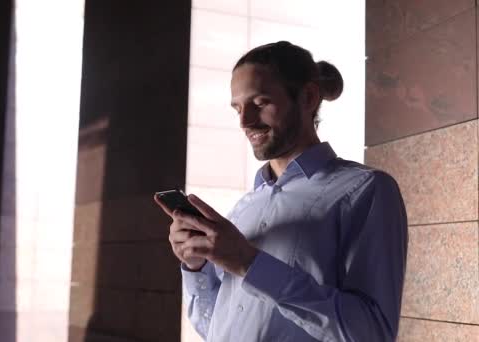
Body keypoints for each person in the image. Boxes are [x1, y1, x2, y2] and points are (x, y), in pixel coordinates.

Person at [154, 41, 408, 341]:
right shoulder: (244, 208)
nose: (244, 121)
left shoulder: (367, 190)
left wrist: (249, 263)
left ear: (309, 97)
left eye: (260, 103)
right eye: (237, 108)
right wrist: (196, 266)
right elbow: (215, 329)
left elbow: (372, 334)